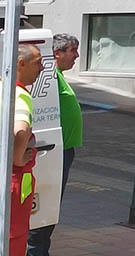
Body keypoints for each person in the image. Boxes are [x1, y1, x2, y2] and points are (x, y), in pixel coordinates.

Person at [27, 34, 82, 256]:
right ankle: (35, 251)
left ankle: (40, 249)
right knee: (42, 210)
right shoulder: (47, 78)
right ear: (56, 53)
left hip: (59, 151)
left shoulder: (54, 76)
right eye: (72, 50)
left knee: (47, 210)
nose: (77, 55)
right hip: (49, 152)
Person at [11, 44, 44, 256]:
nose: (42, 68)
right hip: (15, 183)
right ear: (21, 64)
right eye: (38, 62)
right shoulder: (21, 96)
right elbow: (21, 130)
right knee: (14, 239)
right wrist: (18, 158)